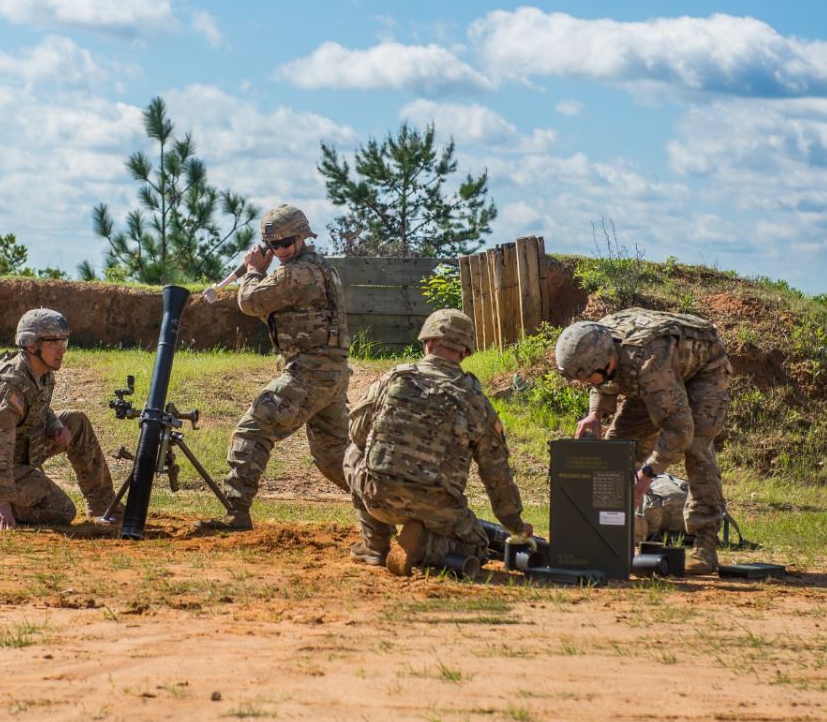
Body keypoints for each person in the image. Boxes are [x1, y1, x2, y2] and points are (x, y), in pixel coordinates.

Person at [345, 309, 533, 576]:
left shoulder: (394, 378)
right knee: (477, 548)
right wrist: (514, 523)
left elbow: (357, 433)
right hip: (438, 507)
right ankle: (424, 547)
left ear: (428, 342)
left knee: (352, 453)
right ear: (466, 352)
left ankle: (375, 545)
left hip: (380, 499)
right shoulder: (476, 402)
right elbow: (496, 474)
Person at [199, 204, 350, 531]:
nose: (280, 251)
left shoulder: (296, 273)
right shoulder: (321, 267)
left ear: (302, 238)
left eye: (285, 244)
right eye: (273, 246)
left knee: (253, 429)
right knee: (335, 459)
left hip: (309, 373)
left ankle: (234, 510)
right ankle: (387, 506)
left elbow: (251, 301)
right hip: (332, 375)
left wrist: (254, 270)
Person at [554, 308, 732, 574]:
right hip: (650, 377)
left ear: (608, 362)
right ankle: (610, 539)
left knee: (696, 448)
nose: (586, 383)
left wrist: (648, 473)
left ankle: (705, 546)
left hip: (703, 371)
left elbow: (679, 431)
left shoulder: (650, 362)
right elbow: (601, 383)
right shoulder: (596, 340)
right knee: (617, 451)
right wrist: (596, 413)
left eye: (588, 377)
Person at [0, 308, 116, 531]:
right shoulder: (9, 387)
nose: (62, 350)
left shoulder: (41, 369)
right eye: (54, 343)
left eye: (64, 342)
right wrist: (1, 505)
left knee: (76, 422)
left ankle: (103, 505)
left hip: (20, 443)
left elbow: (39, 408)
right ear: (32, 345)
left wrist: (55, 427)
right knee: (62, 510)